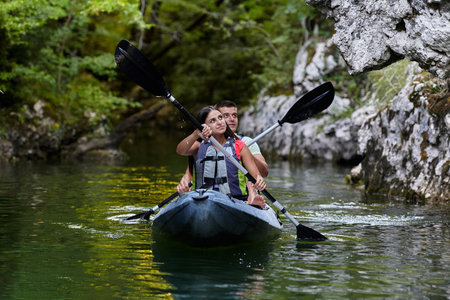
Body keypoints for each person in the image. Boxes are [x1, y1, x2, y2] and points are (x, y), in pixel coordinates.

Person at [176, 106, 266, 207]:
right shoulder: (198, 146)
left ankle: (252, 196)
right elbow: (180, 150)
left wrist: (259, 180)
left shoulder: (239, 146)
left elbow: (256, 175)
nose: (219, 122)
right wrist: (196, 133)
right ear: (204, 126)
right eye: (212, 121)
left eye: (220, 117)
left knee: (251, 185)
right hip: (203, 198)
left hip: (235, 201)